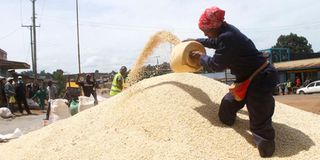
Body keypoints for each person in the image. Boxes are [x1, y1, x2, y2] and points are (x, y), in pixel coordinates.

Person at [187, 6, 278, 157]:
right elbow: (215, 42)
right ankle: (230, 122)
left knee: (258, 115)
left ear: (214, 27)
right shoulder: (225, 31)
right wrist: (198, 41)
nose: (205, 33)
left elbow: (216, 64)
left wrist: (200, 57)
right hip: (245, 78)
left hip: (261, 77)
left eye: (206, 31)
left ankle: (267, 149)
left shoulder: (227, 37)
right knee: (228, 105)